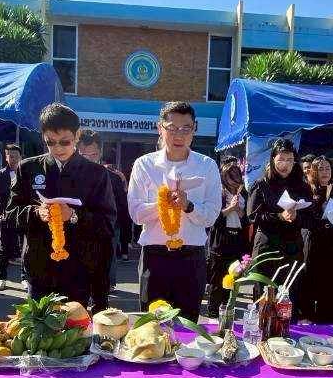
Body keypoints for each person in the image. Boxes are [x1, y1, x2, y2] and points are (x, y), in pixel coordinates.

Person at [5, 103, 116, 304]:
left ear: (77, 135)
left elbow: (107, 223)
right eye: (51, 142)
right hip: (39, 267)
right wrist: (37, 213)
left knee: (75, 323)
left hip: (80, 270)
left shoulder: (96, 173)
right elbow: (10, 214)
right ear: (43, 137)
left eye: (65, 142)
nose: (58, 148)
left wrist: (73, 216)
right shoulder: (28, 168)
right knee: (39, 323)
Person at [127, 102, 222, 321]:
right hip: (155, 256)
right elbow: (136, 213)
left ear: (194, 129)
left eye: (186, 128)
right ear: (159, 128)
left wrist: (188, 206)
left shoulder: (207, 166)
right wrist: (163, 204)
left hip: (191, 257)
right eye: (172, 128)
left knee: (187, 325)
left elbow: (211, 215)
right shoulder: (144, 165)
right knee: (152, 325)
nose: (179, 135)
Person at [246, 138, 315, 302]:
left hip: (292, 247)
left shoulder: (302, 187)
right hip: (267, 245)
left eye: (290, 160)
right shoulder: (261, 184)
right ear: (273, 159)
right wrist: (279, 216)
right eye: (281, 159)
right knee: (264, 297)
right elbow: (253, 216)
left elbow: (310, 218)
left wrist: (297, 216)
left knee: (289, 296)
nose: (285, 164)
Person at [297, 155, 333, 324]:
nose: (325, 172)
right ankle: (306, 315)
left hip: (332, 238)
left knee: (329, 278)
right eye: (320, 169)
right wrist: (320, 202)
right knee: (309, 276)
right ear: (314, 172)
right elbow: (303, 215)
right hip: (312, 237)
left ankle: (325, 319)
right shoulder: (307, 189)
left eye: (327, 168)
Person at [78, 130, 125, 310]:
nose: (89, 159)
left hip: (104, 237)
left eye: (94, 154)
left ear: (101, 152)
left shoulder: (113, 177)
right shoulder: (68, 175)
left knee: (100, 292)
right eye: (84, 155)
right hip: (76, 240)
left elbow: (121, 209)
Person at [204, 156, 249, 319]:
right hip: (221, 239)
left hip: (237, 239)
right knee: (218, 278)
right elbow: (212, 218)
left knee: (233, 276)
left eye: (236, 175)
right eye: (231, 176)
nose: (234, 179)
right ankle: (213, 312)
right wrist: (230, 208)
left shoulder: (243, 193)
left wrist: (239, 211)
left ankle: (228, 310)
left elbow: (247, 218)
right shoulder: (219, 193)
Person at [0, 143, 24, 291]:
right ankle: (2, 278)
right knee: (4, 248)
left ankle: (24, 278)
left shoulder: (26, 172)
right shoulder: (1, 174)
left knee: (24, 247)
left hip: (23, 215)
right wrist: (10, 192)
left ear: (21, 157)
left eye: (16, 156)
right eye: (10, 156)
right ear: (6, 157)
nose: (13, 158)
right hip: (5, 214)